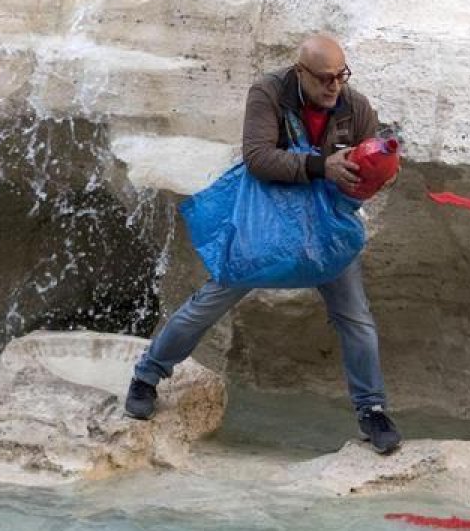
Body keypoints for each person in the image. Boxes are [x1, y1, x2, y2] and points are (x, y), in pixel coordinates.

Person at [124, 34, 402, 455]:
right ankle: (147, 376)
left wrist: (379, 173)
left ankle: (373, 409)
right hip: (267, 223)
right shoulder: (269, 93)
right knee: (210, 302)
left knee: (356, 318)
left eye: (341, 76)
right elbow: (258, 158)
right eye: (324, 78)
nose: (334, 86)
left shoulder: (355, 107)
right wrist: (320, 166)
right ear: (300, 72)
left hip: (325, 230)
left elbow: (369, 158)